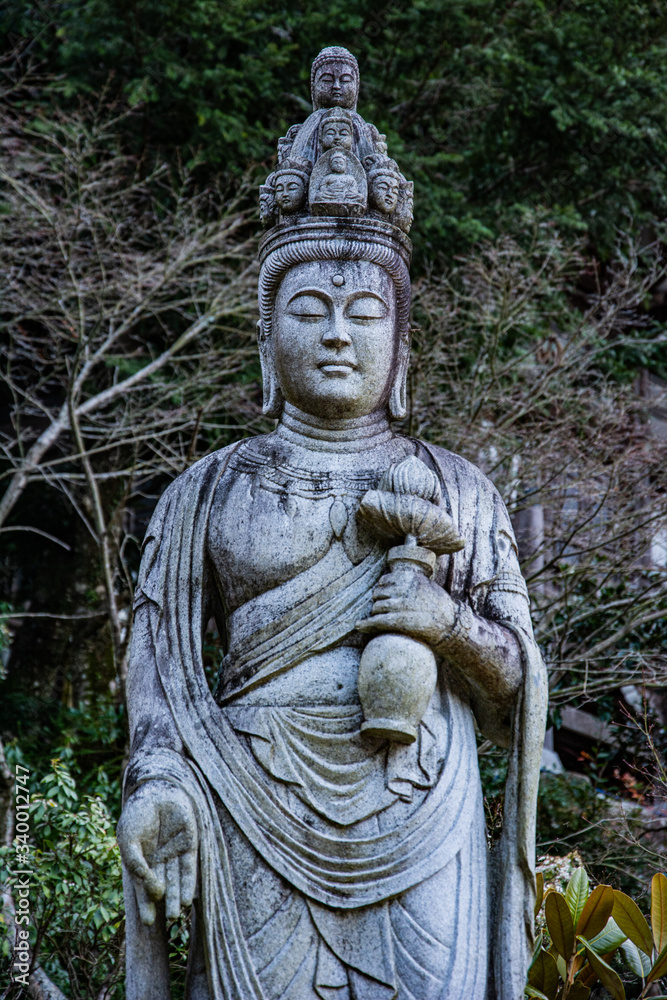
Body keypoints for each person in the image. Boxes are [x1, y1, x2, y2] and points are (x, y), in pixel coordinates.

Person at [117, 49, 548, 1000]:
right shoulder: (208, 489)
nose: (338, 334)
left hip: (416, 798)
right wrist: (154, 781)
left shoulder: (457, 486)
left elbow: (519, 676)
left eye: (364, 311)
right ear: (265, 334)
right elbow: (157, 663)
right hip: (245, 796)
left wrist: (447, 627)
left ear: (402, 342)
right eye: (309, 308)